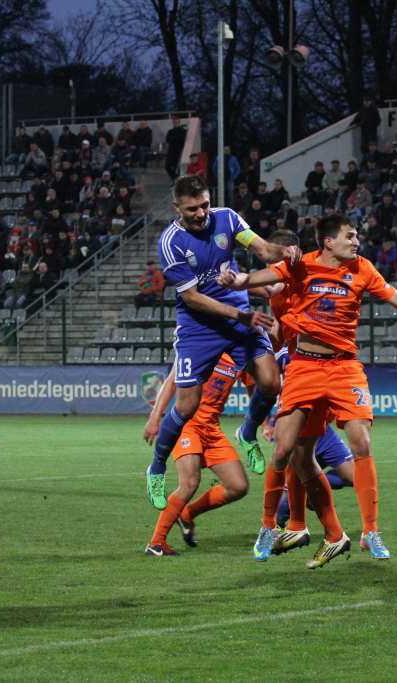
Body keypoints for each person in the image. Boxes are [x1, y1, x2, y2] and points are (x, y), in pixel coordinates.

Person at [219, 214, 397, 568]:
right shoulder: (302, 266)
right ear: (328, 242)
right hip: (303, 367)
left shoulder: (363, 269)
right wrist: (237, 279)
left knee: (362, 442)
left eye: (356, 236)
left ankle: (370, 532)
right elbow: (263, 279)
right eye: (350, 236)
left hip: (344, 368)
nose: (356, 241)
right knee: (286, 451)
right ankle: (268, 528)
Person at [146, 175, 299, 509]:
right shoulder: (170, 242)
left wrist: (282, 252)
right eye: (192, 209)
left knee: (271, 382)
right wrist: (239, 315)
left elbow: (261, 248)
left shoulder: (227, 218)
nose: (201, 213)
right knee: (186, 407)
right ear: (177, 208)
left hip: (238, 315)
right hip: (199, 327)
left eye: (204, 204)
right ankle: (156, 466)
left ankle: (247, 432)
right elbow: (193, 299)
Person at [141, 354, 250, 556]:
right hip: (187, 425)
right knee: (190, 482)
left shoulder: (240, 351)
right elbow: (172, 380)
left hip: (212, 430)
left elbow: (256, 385)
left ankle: (188, 513)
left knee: (238, 486)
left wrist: (265, 422)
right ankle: (156, 543)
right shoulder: (202, 343)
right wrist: (155, 416)